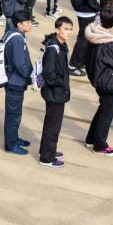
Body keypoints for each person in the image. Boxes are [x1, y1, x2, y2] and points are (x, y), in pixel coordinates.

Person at [83, 7, 113, 156]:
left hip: (95, 76)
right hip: (107, 81)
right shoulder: (110, 43)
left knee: (103, 108)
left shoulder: (92, 34)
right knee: (107, 112)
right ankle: (100, 145)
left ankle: (91, 138)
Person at [38, 16, 74, 168]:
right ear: (57, 30)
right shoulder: (54, 48)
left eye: (70, 29)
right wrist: (61, 83)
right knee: (53, 126)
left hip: (56, 92)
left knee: (51, 124)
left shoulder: (60, 45)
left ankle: (46, 150)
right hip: (55, 93)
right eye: (66, 29)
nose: (69, 32)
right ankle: (47, 157)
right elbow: (49, 73)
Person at [2, 10, 34, 155]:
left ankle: (14, 138)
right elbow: (20, 64)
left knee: (15, 114)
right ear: (19, 24)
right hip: (15, 82)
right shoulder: (17, 39)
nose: (30, 24)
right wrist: (31, 76)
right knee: (13, 115)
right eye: (27, 22)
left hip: (14, 81)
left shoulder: (13, 33)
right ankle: (11, 144)